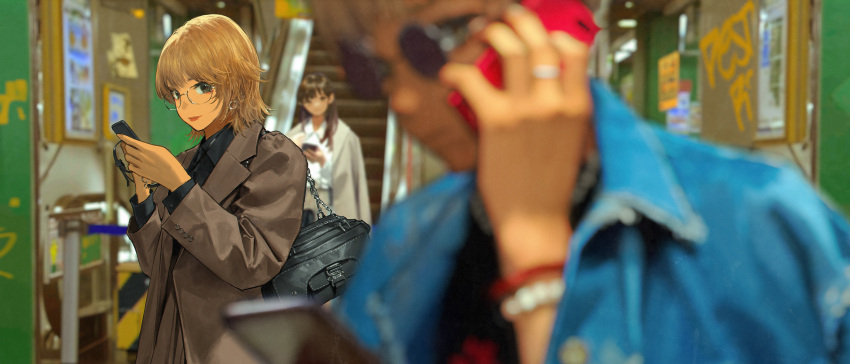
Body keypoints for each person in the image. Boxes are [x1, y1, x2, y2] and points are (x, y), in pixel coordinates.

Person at [312, 0, 850, 363]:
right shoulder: (406, 237)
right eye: (378, 68)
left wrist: (535, 249)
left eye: (438, 40)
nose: (402, 101)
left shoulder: (763, 222)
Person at [118, 14, 306, 363]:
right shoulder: (186, 160)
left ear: (236, 80)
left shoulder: (275, 155)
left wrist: (179, 185)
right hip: (167, 335)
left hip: (230, 341)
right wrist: (144, 192)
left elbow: (253, 260)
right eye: (176, 93)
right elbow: (155, 263)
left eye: (202, 87)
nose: (186, 104)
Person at [287, 72, 372, 224]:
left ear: (329, 99)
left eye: (320, 98)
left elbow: (350, 185)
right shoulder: (294, 136)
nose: (315, 104)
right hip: (296, 209)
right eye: (309, 99)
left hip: (328, 210)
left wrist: (323, 162)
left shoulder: (345, 137)